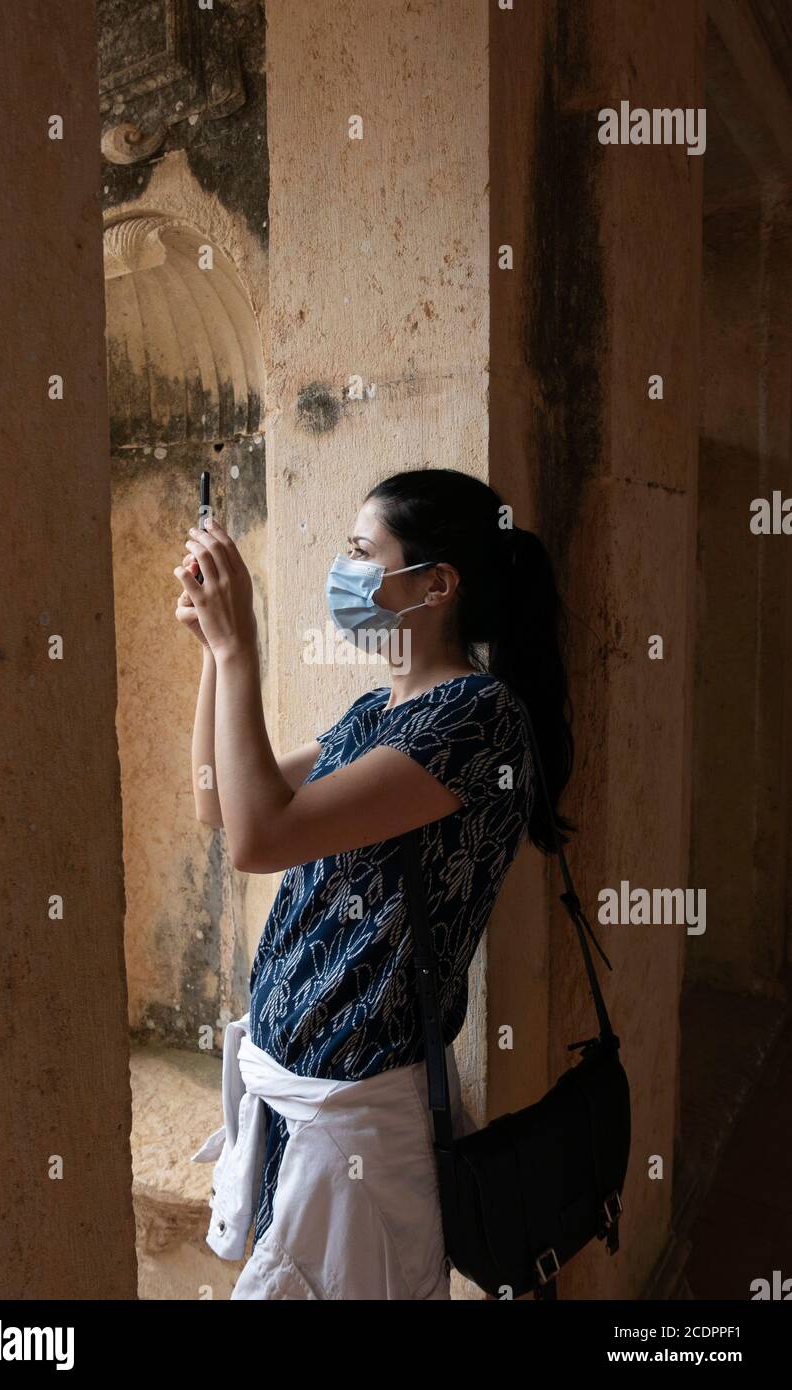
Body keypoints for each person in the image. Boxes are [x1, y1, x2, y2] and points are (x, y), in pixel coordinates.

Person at [174, 467, 574, 1299]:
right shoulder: (374, 713)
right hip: (303, 1097)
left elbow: (261, 839)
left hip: (354, 1114)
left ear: (436, 584)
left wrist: (239, 644)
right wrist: (211, 656)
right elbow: (218, 802)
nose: (344, 570)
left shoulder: (477, 719)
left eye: (362, 551)